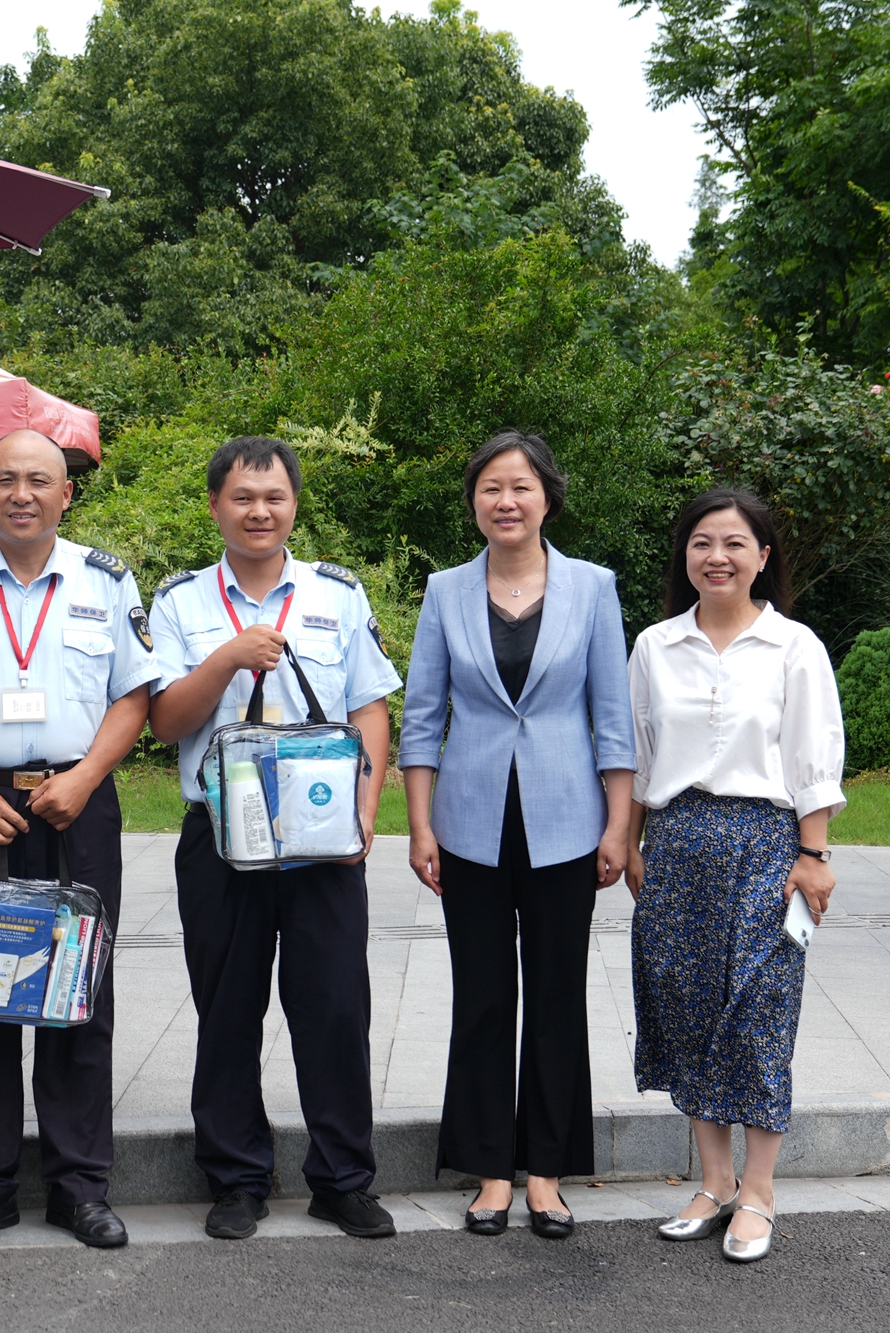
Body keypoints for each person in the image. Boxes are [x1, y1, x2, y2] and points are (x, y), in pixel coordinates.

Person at [0, 430, 160, 1250]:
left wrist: (85, 777)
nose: (22, 494)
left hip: (75, 804)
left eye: (39, 480)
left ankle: (79, 1185)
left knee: (79, 992)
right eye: (7, 479)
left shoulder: (104, 580)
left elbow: (133, 696)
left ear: (66, 494)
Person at [147, 435, 401, 1242]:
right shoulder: (180, 602)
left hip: (323, 834)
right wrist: (227, 657)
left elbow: (369, 706)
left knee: (335, 1007)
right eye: (242, 497)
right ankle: (236, 1178)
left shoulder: (337, 594)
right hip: (222, 836)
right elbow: (166, 721)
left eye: (274, 497)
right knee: (227, 1009)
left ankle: (343, 1179)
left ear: (294, 504)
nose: (259, 511)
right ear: (215, 505)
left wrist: (365, 810)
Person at [400, 431, 635, 1240]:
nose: (506, 500)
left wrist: (619, 824)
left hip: (568, 824)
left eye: (521, 486)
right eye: (491, 487)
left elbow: (614, 719)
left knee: (557, 993)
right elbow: (422, 718)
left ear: (547, 497)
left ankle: (546, 1172)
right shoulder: (445, 591)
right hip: (468, 824)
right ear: (474, 501)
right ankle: (490, 1169)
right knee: (483, 993)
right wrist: (419, 823)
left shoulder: (593, 587)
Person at [625, 488, 843, 1264]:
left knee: (760, 1012)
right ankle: (714, 1183)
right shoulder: (655, 645)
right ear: (685, 556)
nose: (716, 557)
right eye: (701, 543)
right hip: (676, 842)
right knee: (688, 1008)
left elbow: (815, 754)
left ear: (762, 556)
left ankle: (760, 1190)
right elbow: (639, 754)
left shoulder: (794, 647)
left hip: (768, 846)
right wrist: (631, 842)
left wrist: (814, 854)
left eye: (734, 543)